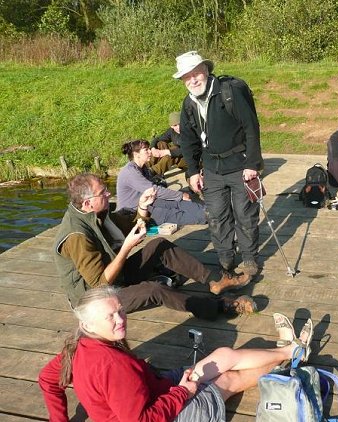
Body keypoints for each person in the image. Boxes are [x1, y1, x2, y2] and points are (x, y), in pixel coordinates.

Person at [38, 286, 314, 422]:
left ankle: (290, 350)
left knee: (223, 355)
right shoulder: (113, 365)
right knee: (227, 380)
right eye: (109, 316)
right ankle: (292, 359)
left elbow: (47, 379)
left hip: (156, 389)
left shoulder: (76, 346)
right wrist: (184, 392)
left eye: (120, 310)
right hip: (166, 413)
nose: (120, 319)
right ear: (87, 324)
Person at [53, 173, 255, 320]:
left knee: (159, 245)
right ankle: (216, 306)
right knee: (153, 290)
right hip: (95, 300)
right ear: (87, 203)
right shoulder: (77, 236)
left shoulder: (96, 213)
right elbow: (100, 284)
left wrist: (142, 206)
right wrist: (126, 248)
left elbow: (130, 226)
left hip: (116, 277)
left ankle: (216, 281)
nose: (108, 194)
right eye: (102, 192)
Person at [174, 51, 263, 277]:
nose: (193, 80)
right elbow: (188, 140)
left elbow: (251, 128)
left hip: (240, 165)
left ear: (206, 71)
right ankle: (225, 259)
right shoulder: (188, 104)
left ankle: (250, 257)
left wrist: (252, 163)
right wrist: (193, 172)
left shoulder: (229, 92)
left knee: (245, 214)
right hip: (212, 169)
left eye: (196, 74)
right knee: (216, 216)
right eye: (187, 77)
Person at [116, 139, 206, 226]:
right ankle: (208, 218)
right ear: (136, 154)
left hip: (148, 202)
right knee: (172, 214)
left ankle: (208, 211)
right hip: (133, 213)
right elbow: (153, 189)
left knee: (177, 202)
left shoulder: (143, 168)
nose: (150, 151)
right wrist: (180, 195)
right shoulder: (130, 172)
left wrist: (178, 197)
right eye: (146, 150)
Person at [149, 111, 187, 177]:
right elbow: (157, 139)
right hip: (180, 157)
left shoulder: (190, 131)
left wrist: (168, 152)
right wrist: (153, 148)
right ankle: (145, 166)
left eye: (180, 124)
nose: (178, 127)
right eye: (175, 125)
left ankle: (152, 172)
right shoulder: (172, 131)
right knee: (160, 143)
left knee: (172, 152)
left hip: (193, 161)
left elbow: (190, 150)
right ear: (171, 126)